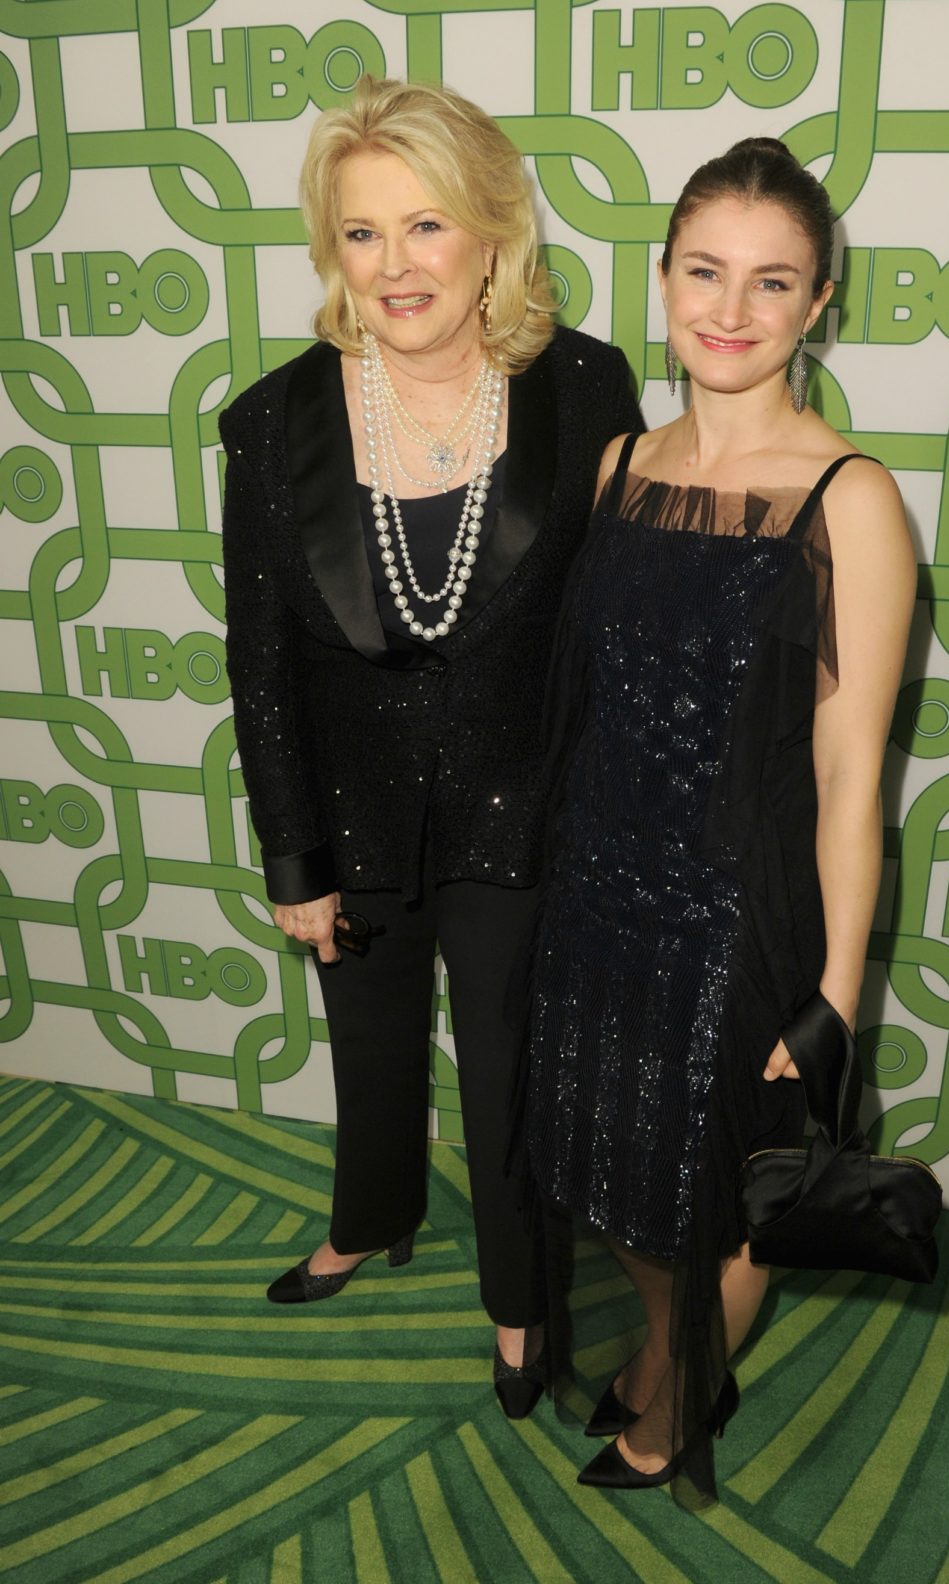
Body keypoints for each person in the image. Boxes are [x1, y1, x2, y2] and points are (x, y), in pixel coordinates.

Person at [219, 75, 642, 1419]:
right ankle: (372, 1214)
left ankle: (524, 1306)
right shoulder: (277, 419)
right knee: (371, 1039)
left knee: (513, 1072)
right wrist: (294, 851)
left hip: (528, 808)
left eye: (426, 226)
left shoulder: (582, 389)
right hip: (350, 805)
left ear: (490, 232)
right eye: (361, 233)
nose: (395, 265)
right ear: (329, 250)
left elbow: (618, 626)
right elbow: (263, 657)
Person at [521, 137, 915, 1499]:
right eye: (705, 271)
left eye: (772, 281)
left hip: (733, 923)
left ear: (819, 304)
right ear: (666, 277)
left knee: (713, 1202)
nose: (730, 310)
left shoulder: (847, 500)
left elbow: (853, 773)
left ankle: (673, 1408)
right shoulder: (621, 463)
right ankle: (666, 1348)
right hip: (594, 897)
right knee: (606, 1168)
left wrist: (834, 999)